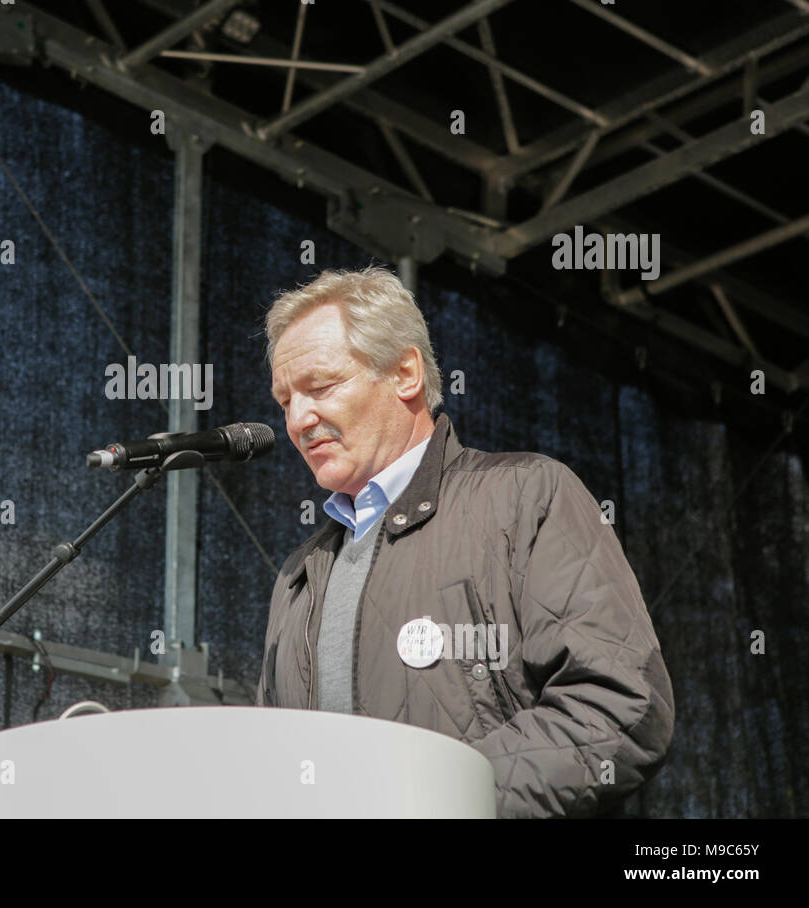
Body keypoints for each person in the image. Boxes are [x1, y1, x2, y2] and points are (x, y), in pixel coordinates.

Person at [255, 266, 674, 818]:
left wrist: (436, 801)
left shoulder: (525, 496)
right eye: (285, 400)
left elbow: (618, 705)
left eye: (320, 387)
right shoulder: (299, 575)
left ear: (405, 374)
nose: (298, 420)